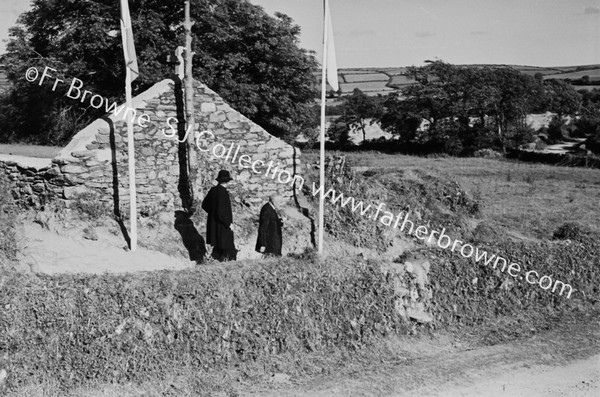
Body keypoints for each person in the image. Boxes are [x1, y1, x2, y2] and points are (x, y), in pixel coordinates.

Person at [201, 170, 237, 261]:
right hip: (222, 226)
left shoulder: (213, 190)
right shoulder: (222, 192)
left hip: (214, 225)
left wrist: (213, 214)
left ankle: (213, 262)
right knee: (228, 249)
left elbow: (204, 205)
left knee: (218, 248)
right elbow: (221, 212)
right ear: (228, 181)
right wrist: (228, 224)